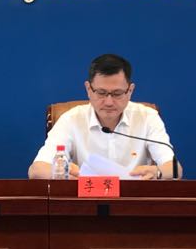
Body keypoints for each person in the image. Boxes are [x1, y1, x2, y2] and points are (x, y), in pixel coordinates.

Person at [29, 53, 178, 179]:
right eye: (101, 93)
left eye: (117, 93)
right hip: (85, 201)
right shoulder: (71, 119)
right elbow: (36, 170)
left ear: (130, 91)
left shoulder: (147, 117)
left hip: (133, 199)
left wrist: (158, 172)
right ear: (88, 89)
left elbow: (175, 168)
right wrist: (65, 173)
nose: (109, 102)